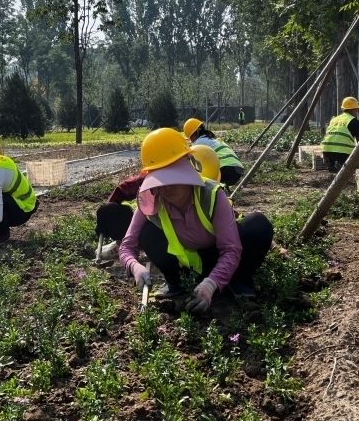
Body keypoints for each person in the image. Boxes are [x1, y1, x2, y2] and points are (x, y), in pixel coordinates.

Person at [119, 128, 274, 314]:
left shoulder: (212, 195)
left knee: (258, 225)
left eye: (173, 177)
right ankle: (176, 284)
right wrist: (134, 266)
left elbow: (231, 249)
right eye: (160, 180)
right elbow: (127, 246)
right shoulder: (152, 202)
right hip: (187, 268)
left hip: (218, 258)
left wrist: (210, 284)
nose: (166, 187)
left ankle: (236, 281)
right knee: (147, 232)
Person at [95, 145, 219, 260]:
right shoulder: (157, 177)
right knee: (142, 229)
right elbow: (124, 189)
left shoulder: (211, 193)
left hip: (184, 239)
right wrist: (107, 215)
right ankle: (124, 245)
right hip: (152, 227)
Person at [182, 118, 245, 187]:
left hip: (226, 168)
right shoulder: (212, 140)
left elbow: (189, 159)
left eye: (191, 138)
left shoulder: (199, 142)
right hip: (238, 169)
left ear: (195, 133)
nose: (191, 141)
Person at [321, 96, 359, 172]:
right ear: (353, 109)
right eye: (356, 109)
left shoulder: (333, 120)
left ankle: (333, 165)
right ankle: (344, 164)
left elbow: (327, 138)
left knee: (336, 152)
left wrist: (325, 156)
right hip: (344, 153)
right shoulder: (355, 122)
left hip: (328, 153)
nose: (357, 111)